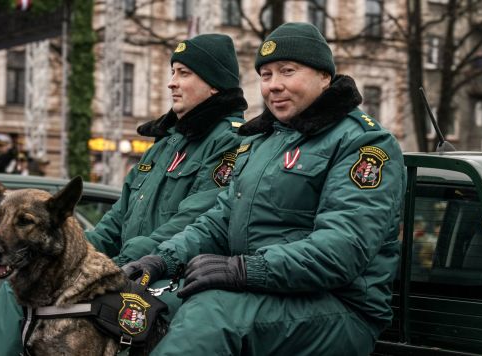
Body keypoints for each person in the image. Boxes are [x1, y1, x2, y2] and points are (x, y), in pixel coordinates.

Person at [124, 23, 406, 355]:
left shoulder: (363, 142)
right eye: (266, 75)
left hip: (339, 307)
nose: (274, 85)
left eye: (287, 71)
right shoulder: (264, 141)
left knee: (213, 315)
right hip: (263, 290)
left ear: (324, 77)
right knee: (141, 304)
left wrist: (244, 269)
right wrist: (161, 260)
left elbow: (342, 249)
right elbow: (219, 220)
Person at [0, 33, 248, 355]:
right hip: (125, 266)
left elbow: (193, 222)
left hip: (169, 273)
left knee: (119, 314)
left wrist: (122, 261)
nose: (172, 82)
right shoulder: (164, 144)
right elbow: (117, 217)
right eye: (172, 72)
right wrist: (82, 251)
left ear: (215, 84)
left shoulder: (230, 143)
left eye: (184, 73)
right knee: (20, 284)